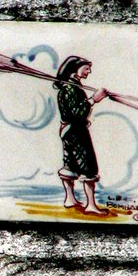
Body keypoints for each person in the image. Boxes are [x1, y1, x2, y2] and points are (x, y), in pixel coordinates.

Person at [54, 55, 109, 215]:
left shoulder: (69, 86)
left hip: (68, 131)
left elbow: (73, 114)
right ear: (74, 70)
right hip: (76, 132)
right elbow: (78, 112)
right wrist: (94, 99)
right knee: (88, 166)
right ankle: (91, 205)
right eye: (86, 68)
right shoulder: (71, 88)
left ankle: (70, 199)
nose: (89, 71)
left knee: (70, 163)